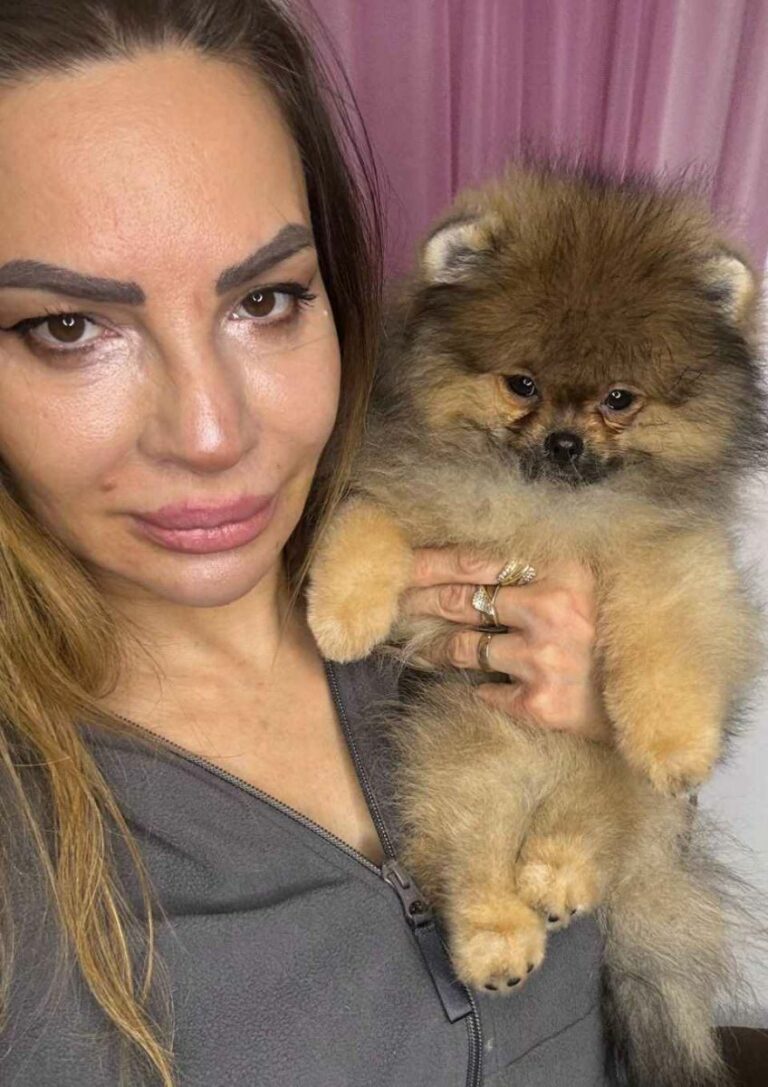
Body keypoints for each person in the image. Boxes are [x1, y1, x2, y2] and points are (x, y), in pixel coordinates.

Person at [0, 2, 613, 1084]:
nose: (210, 432)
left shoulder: (487, 595)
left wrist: (608, 758)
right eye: (68, 327)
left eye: (266, 299)